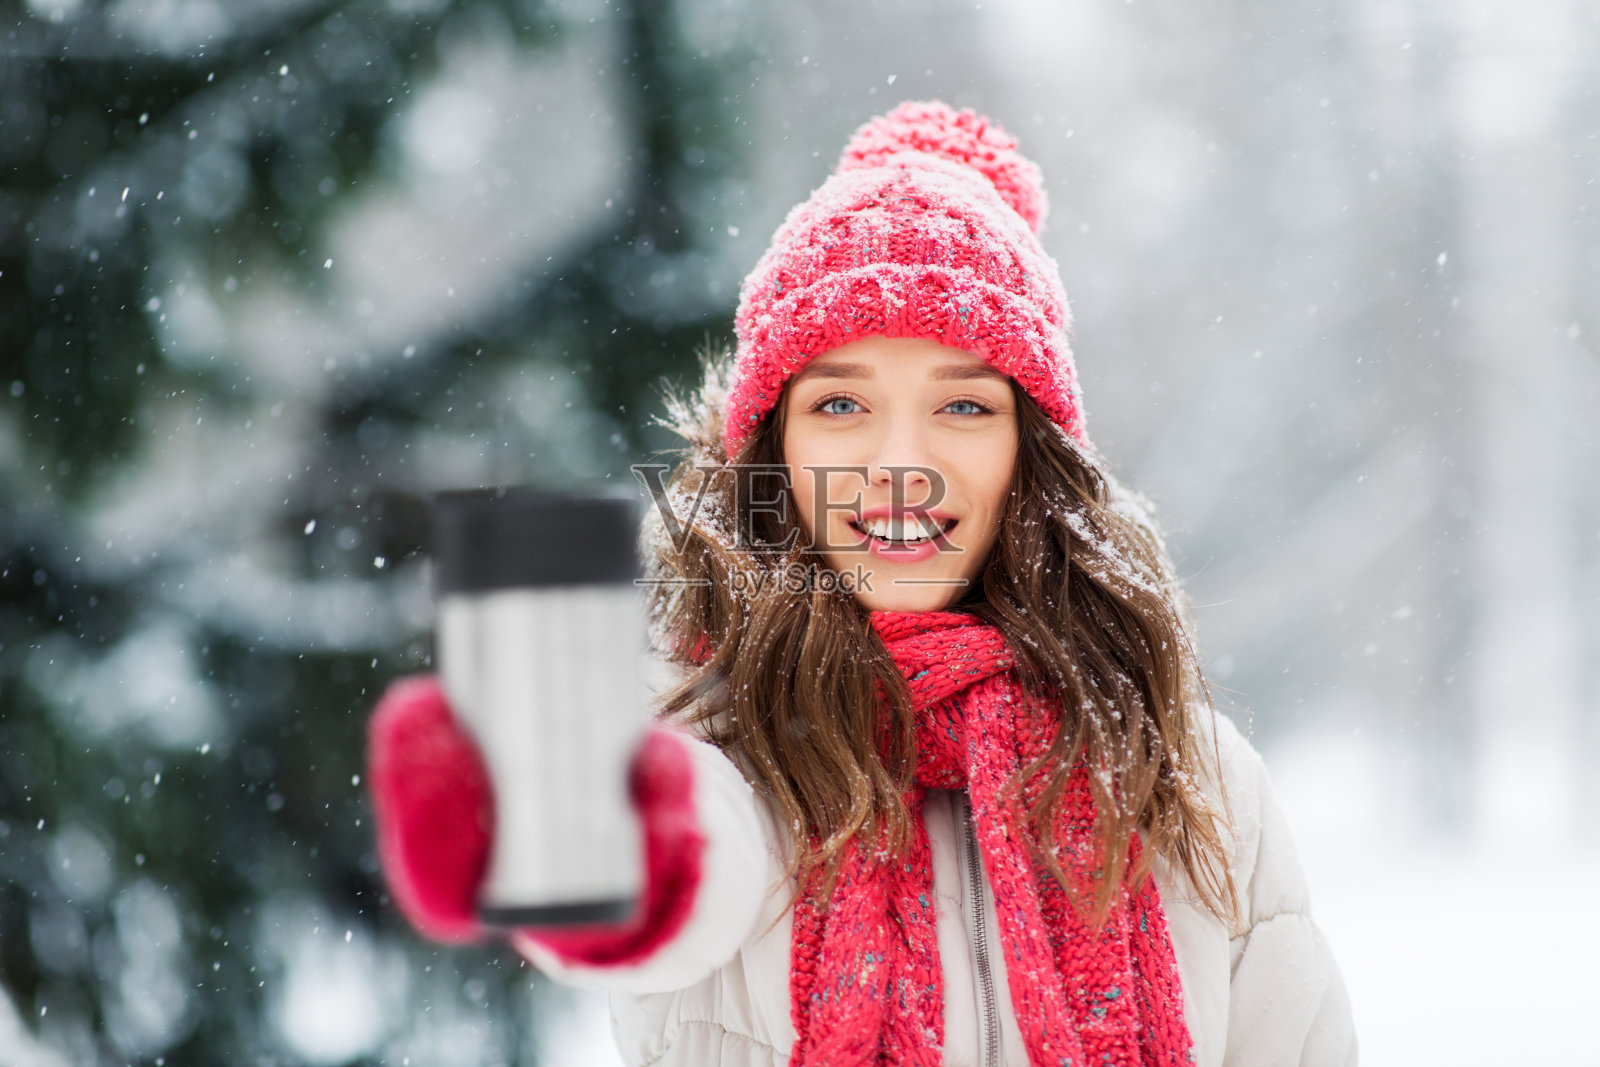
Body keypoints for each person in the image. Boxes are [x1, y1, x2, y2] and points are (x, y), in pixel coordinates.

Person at [366, 100, 1358, 1066]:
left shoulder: (1185, 768)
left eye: (963, 405)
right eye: (840, 401)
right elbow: (689, 851)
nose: (897, 460)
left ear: (1031, 451)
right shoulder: (709, 730)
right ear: (774, 446)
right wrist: (580, 822)